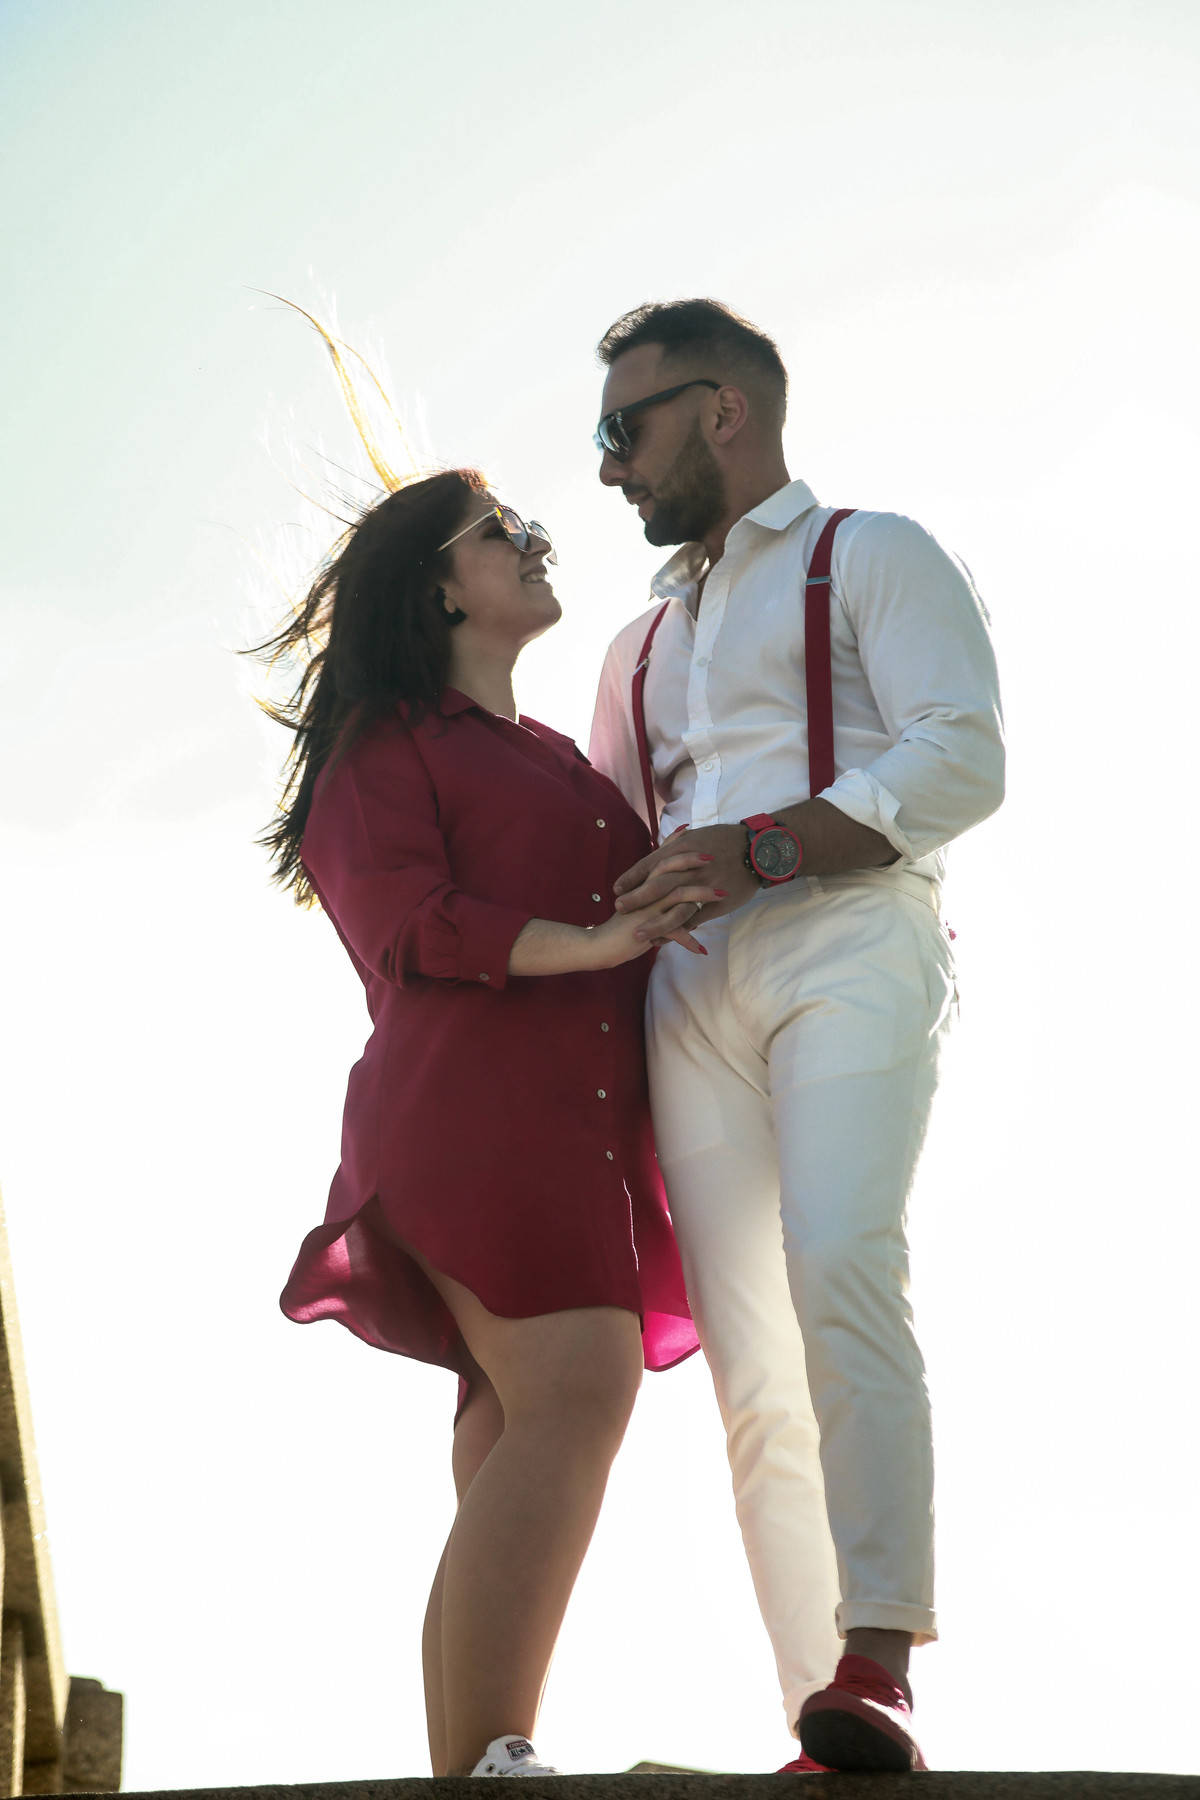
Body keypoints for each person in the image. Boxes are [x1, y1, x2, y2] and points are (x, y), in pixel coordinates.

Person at [588, 300, 1005, 1774]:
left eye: (623, 427)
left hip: (851, 937)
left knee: (839, 1255)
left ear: (723, 409)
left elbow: (964, 755)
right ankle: (821, 1725)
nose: (608, 466)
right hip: (687, 994)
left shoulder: (873, 552)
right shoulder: (637, 645)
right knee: (748, 1361)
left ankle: (880, 1653)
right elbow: (608, 837)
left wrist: (763, 849)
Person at [256, 469, 712, 1778]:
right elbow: (405, 922)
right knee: (577, 1392)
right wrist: (594, 938)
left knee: (517, 1432)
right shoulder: (385, 745)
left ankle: (478, 1769)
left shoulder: (555, 757)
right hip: (477, 1122)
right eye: (503, 531)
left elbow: (622, 913)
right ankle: (497, 1761)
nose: (536, 541)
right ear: (441, 587)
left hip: (583, 1137)